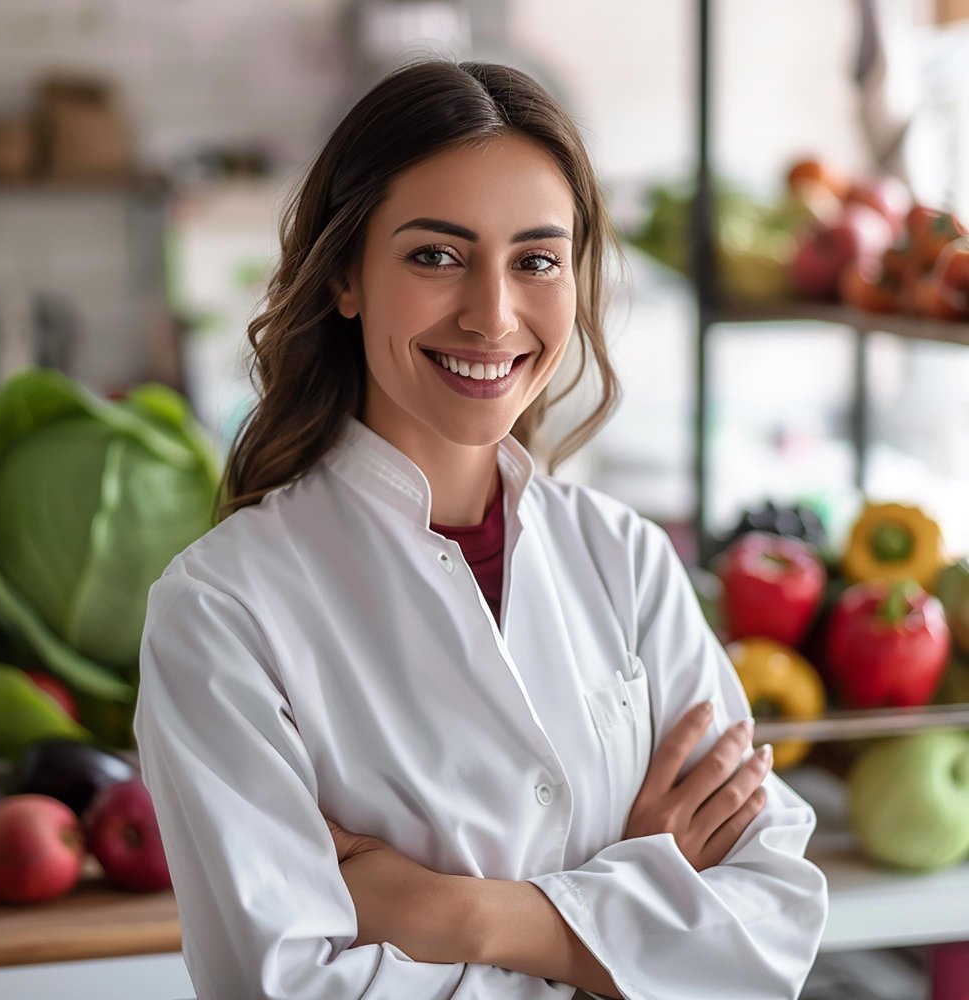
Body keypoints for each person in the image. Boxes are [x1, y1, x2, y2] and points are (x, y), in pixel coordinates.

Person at [133, 58, 828, 1000]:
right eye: (435, 255)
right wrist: (632, 908)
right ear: (345, 274)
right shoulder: (221, 613)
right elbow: (287, 987)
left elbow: (773, 921)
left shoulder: (626, 562)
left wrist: (453, 914)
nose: (492, 314)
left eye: (536, 260)